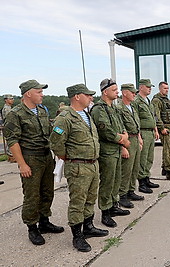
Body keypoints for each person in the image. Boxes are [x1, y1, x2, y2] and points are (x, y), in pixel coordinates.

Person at [3, 79, 64, 246]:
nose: (42, 95)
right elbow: (13, 140)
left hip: (46, 157)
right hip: (30, 158)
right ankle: (32, 227)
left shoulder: (42, 111)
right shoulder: (15, 114)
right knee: (32, 195)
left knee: (47, 191)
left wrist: (62, 138)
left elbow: (52, 132)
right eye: (39, 92)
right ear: (28, 93)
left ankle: (44, 222)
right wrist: (22, 164)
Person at [49, 84, 108, 252]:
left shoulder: (86, 115)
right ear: (76, 96)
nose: (91, 97)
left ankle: (88, 227)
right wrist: (67, 157)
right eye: (87, 95)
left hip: (93, 164)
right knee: (78, 202)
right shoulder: (65, 117)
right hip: (78, 167)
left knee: (90, 198)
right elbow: (55, 142)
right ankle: (77, 235)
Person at [90, 78, 131, 228]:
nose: (117, 92)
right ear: (105, 92)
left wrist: (124, 135)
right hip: (107, 151)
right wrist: (123, 140)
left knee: (115, 180)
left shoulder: (113, 108)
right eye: (114, 90)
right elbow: (105, 131)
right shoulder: (98, 109)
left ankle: (113, 205)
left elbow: (120, 125)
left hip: (116, 150)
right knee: (107, 182)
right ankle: (105, 212)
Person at [116, 83, 145, 209]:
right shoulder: (119, 108)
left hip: (135, 138)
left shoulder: (132, 107)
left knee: (135, 167)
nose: (134, 94)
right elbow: (119, 128)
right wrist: (122, 147)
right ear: (124, 93)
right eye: (132, 92)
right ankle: (123, 195)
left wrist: (139, 137)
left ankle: (131, 190)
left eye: (135, 92)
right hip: (126, 141)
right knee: (126, 169)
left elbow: (136, 123)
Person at [133, 79, 160, 193]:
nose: (150, 88)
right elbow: (135, 119)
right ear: (141, 87)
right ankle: (142, 182)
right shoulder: (136, 101)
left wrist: (156, 129)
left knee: (149, 157)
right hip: (143, 132)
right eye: (148, 87)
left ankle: (147, 178)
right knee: (142, 158)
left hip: (150, 132)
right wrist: (138, 135)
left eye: (150, 87)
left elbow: (152, 117)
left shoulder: (148, 100)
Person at [151, 81, 170, 180]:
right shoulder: (156, 100)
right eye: (165, 88)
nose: (167, 90)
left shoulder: (166, 99)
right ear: (160, 89)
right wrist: (161, 128)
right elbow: (156, 115)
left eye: (167, 88)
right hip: (164, 128)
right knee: (169, 150)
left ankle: (165, 168)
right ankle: (169, 171)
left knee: (169, 149)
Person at [2, 94, 16, 162]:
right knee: (11, 141)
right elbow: (9, 119)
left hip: (10, 126)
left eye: (12, 98)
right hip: (10, 127)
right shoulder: (7, 108)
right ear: (6, 100)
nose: (12, 100)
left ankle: (12, 156)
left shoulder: (9, 107)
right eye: (10, 99)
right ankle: (11, 157)